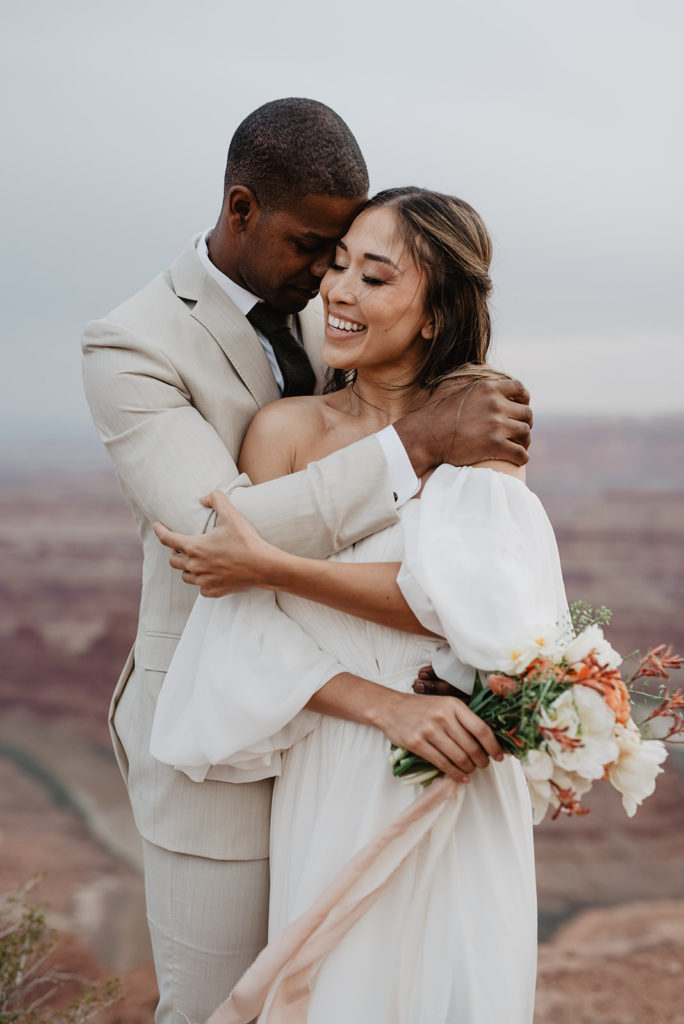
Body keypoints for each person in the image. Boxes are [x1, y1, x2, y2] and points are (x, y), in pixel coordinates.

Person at [82, 99, 532, 1024]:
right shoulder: (132, 345)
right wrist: (415, 444)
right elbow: (220, 544)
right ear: (242, 209)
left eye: (351, 260)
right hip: (225, 737)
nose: (329, 281)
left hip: (383, 760)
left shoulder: (331, 322)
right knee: (226, 1009)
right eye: (316, 250)